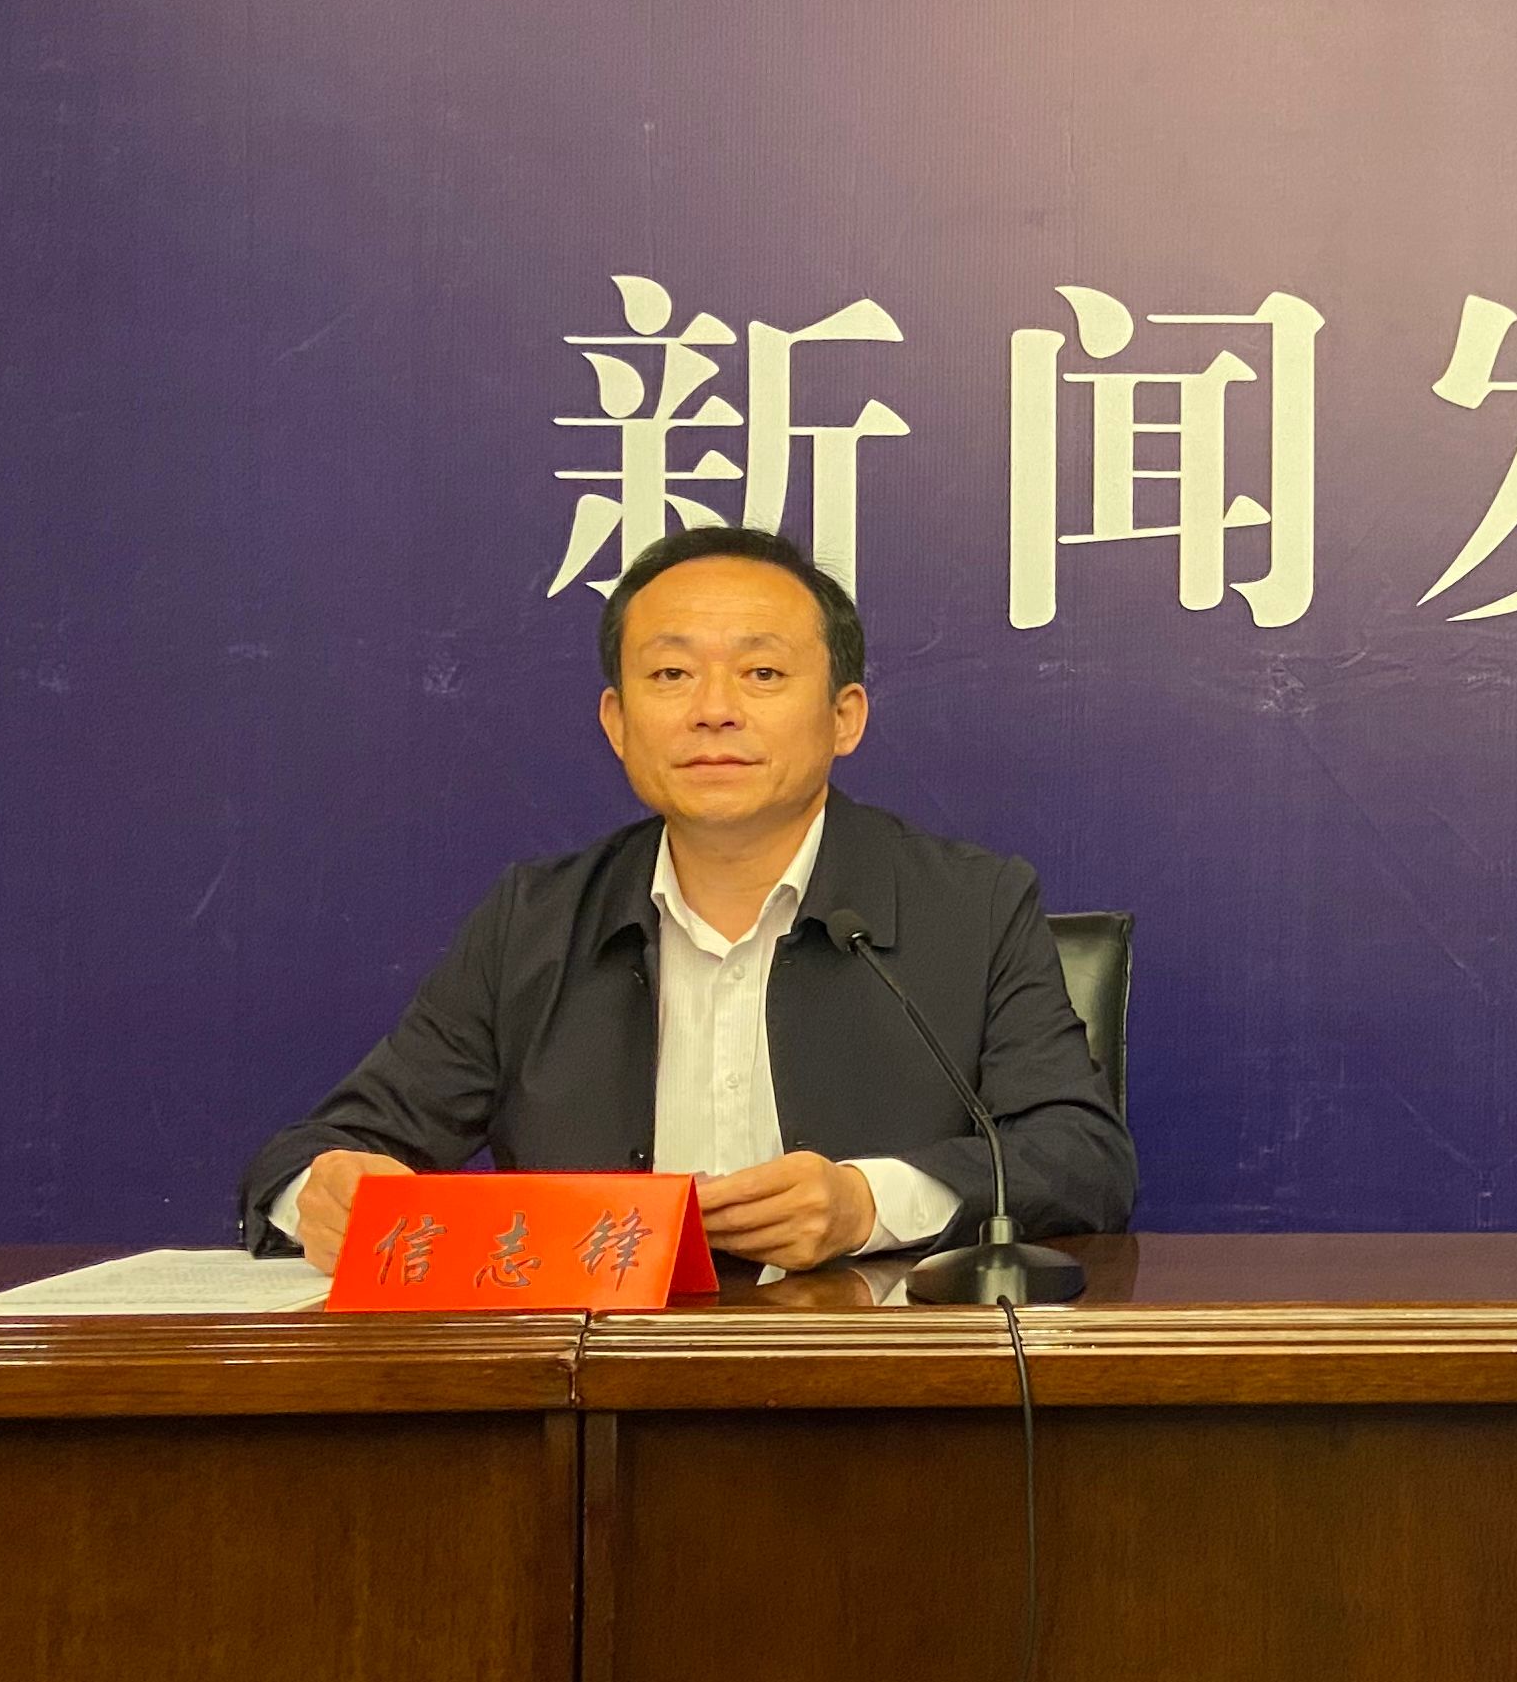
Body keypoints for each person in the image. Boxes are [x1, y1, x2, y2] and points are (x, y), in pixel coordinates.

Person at [239, 526, 1134, 1272]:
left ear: (845, 717)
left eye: (762, 674)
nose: (713, 710)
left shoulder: (970, 905)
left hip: (875, 1380)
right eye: (670, 676)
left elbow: (1082, 1158)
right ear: (617, 723)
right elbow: (312, 1153)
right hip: (598, 1380)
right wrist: (323, 1191)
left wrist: (866, 1204)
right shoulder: (536, 921)